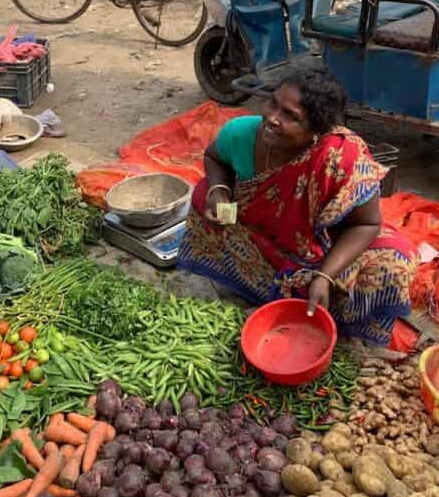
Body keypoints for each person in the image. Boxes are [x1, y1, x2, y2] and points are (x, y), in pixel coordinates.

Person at [179, 68, 418, 350]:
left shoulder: (340, 158)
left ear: (316, 130)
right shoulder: (241, 133)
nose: (272, 118)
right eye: (273, 103)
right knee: (201, 197)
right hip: (267, 235)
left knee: (395, 262)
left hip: (326, 243)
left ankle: (318, 306)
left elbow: (365, 224)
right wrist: (219, 192)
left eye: (290, 116)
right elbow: (214, 158)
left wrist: (325, 276)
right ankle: (266, 288)